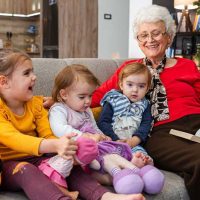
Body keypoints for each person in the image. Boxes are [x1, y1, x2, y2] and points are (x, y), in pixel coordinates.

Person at [0, 49, 145, 200]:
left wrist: (65, 150)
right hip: (9, 166)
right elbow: (14, 139)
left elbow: (47, 133)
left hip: (39, 158)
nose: (34, 77)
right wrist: (55, 146)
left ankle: (108, 197)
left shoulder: (36, 104)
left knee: (71, 167)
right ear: (4, 82)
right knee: (27, 170)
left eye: (33, 72)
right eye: (26, 73)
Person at [91, 4, 200, 200]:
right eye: (143, 35)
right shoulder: (130, 70)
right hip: (161, 132)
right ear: (138, 41)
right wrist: (57, 99)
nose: (150, 40)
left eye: (156, 33)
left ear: (168, 36)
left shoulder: (187, 65)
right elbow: (97, 95)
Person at [44, 64, 164, 195]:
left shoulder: (86, 110)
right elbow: (60, 129)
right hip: (76, 152)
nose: (88, 101)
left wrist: (102, 136)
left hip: (95, 148)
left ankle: (131, 169)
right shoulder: (59, 109)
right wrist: (86, 137)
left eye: (90, 96)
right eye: (82, 97)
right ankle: (115, 178)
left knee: (111, 152)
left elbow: (94, 127)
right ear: (64, 94)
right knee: (95, 165)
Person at [98, 63, 154, 168]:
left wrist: (135, 140)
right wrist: (115, 139)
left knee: (139, 152)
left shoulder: (145, 105)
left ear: (147, 89)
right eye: (130, 85)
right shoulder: (113, 100)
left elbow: (146, 125)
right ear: (121, 85)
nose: (135, 90)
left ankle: (141, 161)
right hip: (113, 142)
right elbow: (103, 122)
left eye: (141, 86)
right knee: (108, 154)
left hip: (133, 143)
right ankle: (124, 166)